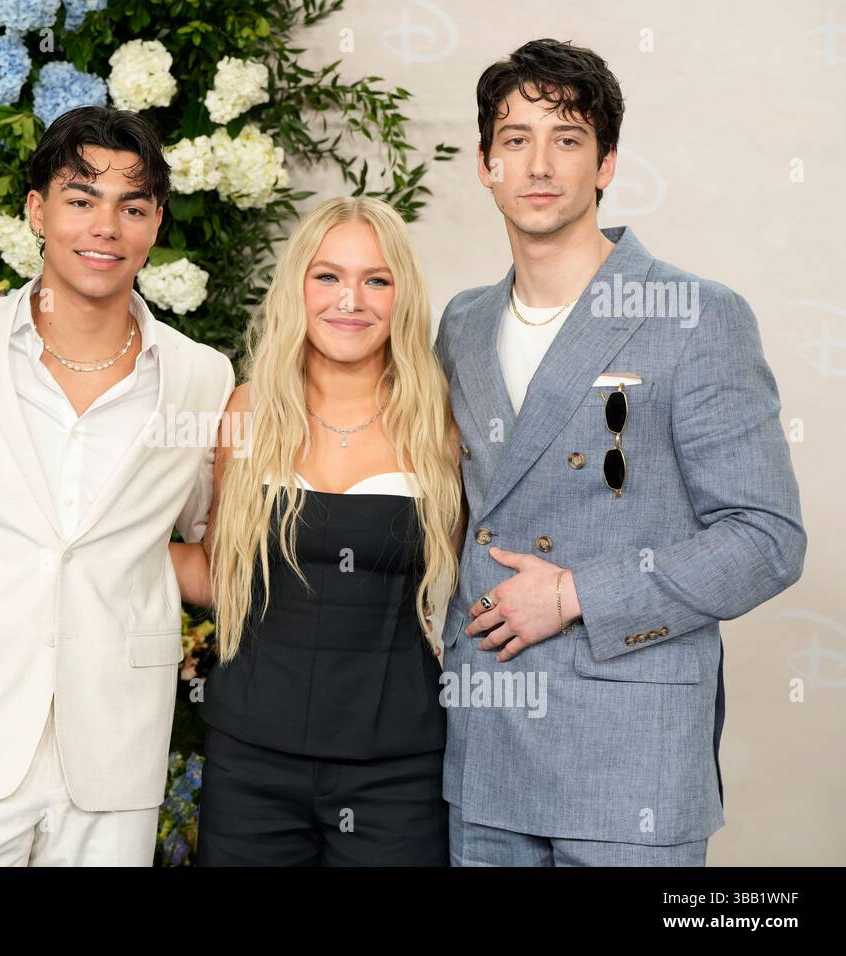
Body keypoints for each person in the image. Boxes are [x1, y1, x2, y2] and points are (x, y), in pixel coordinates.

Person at [435, 38, 806, 866]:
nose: (539, 163)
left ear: (605, 165)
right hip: (485, 748)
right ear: (486, 165)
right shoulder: (460, 323)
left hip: (629, 757)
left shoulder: (693, 315)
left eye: (566, 139)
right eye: (515, 138)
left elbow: (767, 538)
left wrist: (576, 596)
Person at [0, 106, 235, 866]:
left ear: (154, 225)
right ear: (36, 210)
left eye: (133, 206)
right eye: (81, 198)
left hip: (118, 746)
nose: (105, 226)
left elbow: (219, 549)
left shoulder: (201, 377)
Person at [168, 196, 464, 865]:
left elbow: (474, 576)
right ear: (297, 288)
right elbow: (221, 575)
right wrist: (109, 549)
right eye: (328, 276)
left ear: (401, 297)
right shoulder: (246, 412)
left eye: (376, 280)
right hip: (250, 761)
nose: (350, 300)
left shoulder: (440, 424)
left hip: (399, 767)